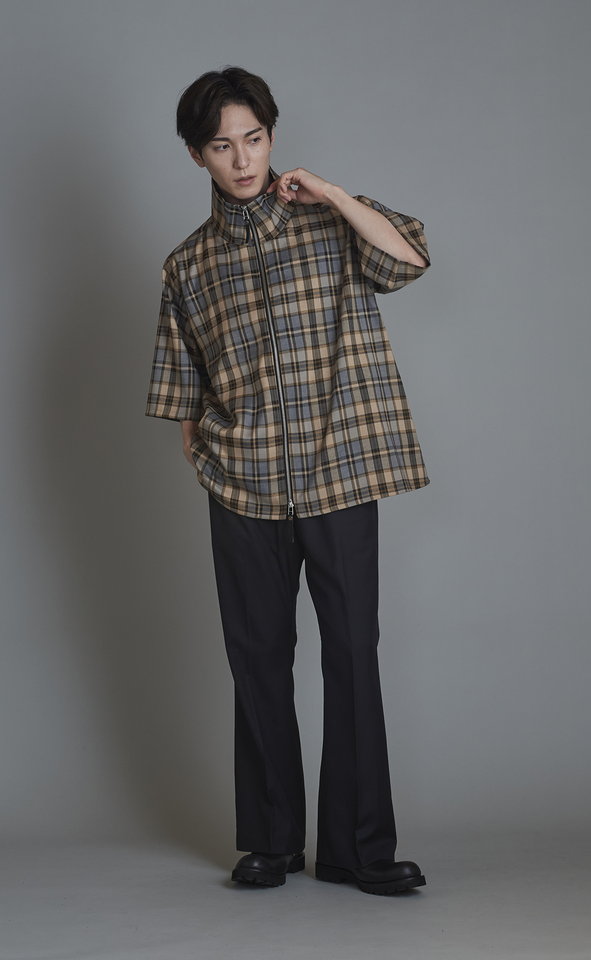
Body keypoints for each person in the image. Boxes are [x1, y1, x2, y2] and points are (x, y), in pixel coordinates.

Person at [145, 67, 431, 896]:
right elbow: (182, 397)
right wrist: (213, 460)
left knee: (353, 655)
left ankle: (359, 850)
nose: (243, 160)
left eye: (255, 139)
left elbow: (410, 258)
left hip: (341, 473)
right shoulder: (187, 266)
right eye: (222, 146)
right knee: (258, 661)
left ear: (273, 136)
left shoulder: (332, 223)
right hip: (245, 488)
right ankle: (270, 841)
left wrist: (334, 194)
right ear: (197, 155)